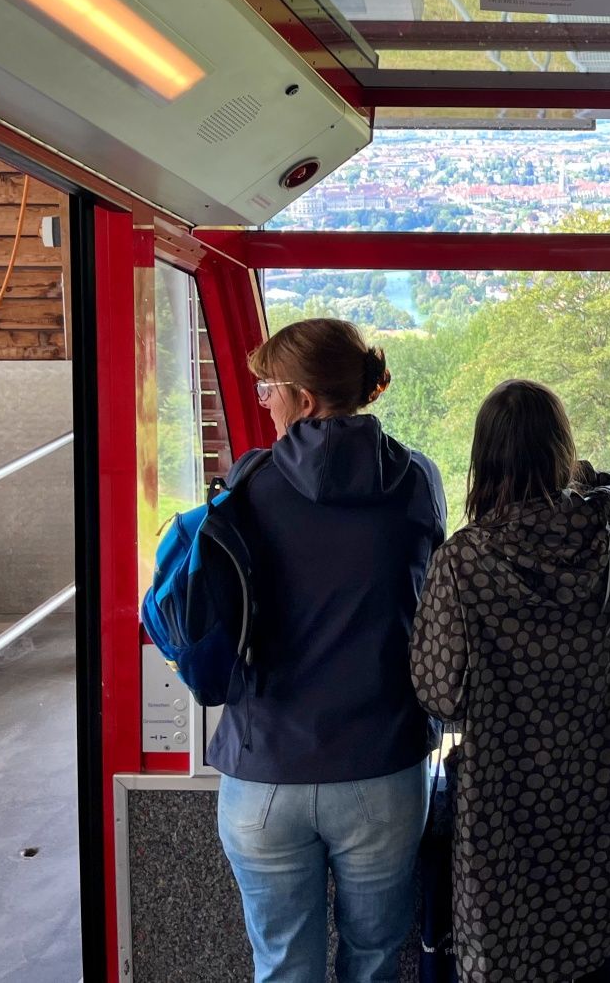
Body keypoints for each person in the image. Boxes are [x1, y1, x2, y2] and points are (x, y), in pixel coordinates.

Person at [209, 318, 447, 983]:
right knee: (374, 960)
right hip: (381, 766)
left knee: (284, 964)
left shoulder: (249, 484)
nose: (265, 403)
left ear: (304, 400)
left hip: (264, 768)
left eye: (268, 391)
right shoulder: (415, 480)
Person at [409, 380, 610, 983]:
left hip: (501, 800)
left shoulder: (463, 559)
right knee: (593, 946)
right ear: (561, 451)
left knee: (504, 951)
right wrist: (578, 479)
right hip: (595, 784)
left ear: (482, 460)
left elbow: (439, 690)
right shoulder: (605, 527)